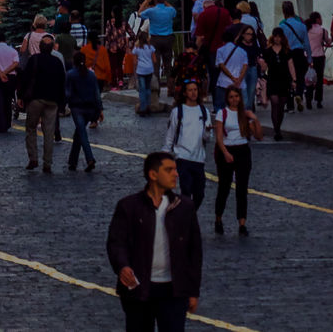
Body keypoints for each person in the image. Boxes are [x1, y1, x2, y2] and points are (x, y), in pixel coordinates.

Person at [106, 151, 202, 331]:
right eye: (169, 170)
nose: (176, 174)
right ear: (153, 174)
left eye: (175, 169)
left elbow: (194, 252)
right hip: (139, 290)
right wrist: (123, 266)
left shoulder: (185, 208)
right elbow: (116, 242)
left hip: (174, 291)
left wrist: (193, 291)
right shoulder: (129, 206)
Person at [212, 86, 260, 236]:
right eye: (231, 97)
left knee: (242, 189)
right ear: (227, 98)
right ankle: (218, 218)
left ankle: (242, 223)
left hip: (243, 151)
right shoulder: (222, 113)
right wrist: (225, 153)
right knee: (224, 187)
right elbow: (219, 137)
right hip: (227, 150)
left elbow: (259, 136)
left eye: (236, 96)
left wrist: (255, 119)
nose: (234, 99)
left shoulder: (244, 114)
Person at [164, 77, 211, 207]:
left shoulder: (204, 111)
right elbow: (170, 135)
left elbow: (207, 138)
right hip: (182, 157)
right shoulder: (177, 112)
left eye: (195, 90)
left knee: (199, 194)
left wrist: (207, 132)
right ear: (185, 93)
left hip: (199, 158)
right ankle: (186, 219)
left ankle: (187, 216)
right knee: (186, 190)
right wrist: (165, 154)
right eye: (190, 90)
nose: (193, 93)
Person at [22, 35, 66, 172]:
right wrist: (62, 104)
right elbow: (62, 83)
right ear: (52, 48)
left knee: (31, 128)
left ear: (40, 48)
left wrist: (21, 96)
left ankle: (33, 158)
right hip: (52, 100)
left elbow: (26, 78)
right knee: (49, 132)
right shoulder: (57, 62)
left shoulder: (33, 60)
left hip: (36, 99)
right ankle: (47, 163)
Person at [65, 49, 102, 171]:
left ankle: (89, 158)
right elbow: (97, 93)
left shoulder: (70, 74)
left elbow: (68, 93)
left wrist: (63, 104)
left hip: (77, 108)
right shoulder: (91, 75)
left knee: (82, 133)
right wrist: (99, 109)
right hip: (90, 108)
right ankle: (72, 161)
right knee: (79, 133)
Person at [138, 0, 177, 87]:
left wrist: (146, 1)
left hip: (155, 39)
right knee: (168, 64)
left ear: (155, 1)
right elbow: (174, 11)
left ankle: (156, 88)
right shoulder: (170, 10)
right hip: (168, 38)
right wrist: (165, 2)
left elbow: (139, 14)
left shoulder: (151, 11)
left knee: (156, 64)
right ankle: (171, 87)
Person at [262, 30, 294, 139]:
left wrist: (294, 80)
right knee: (274, 102)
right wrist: (261, 65)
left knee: (281, 105)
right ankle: (276, 129)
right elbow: (264, 67)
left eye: (279, 37)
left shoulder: (287, 51)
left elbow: (291, 65)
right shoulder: (267, 51)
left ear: (282, 38)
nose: (277, 39)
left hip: (284, 80)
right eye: (275, 37)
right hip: (272, 79)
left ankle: (278, 127)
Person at [277, 2, 310, 111]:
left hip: (287, 53)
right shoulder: (302, 25)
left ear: (284, 11)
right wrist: (309, 58)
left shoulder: (282, 26)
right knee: (300, 77)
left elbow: (279, 44)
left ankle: (290, 104)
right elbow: (306, 44)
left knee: (288, 78)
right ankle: (299, 94)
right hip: (299, 53)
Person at [305, 12, 329, 111]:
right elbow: (328, 41)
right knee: (319, 79)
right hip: (319, 56)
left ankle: (308, 101)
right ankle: (318, 101)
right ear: (318, 19)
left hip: (308, 56)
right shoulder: (322, 30)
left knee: (309, 79)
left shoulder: (306, 29)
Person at [134, 32, 157, 117]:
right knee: (148, 89)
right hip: (149, 70)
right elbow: (154, 60)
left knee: (142, 90)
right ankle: (148, 107)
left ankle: (143, 108)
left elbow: (135, 61)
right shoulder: (151, 48)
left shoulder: (137, 49)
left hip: (140, 70)